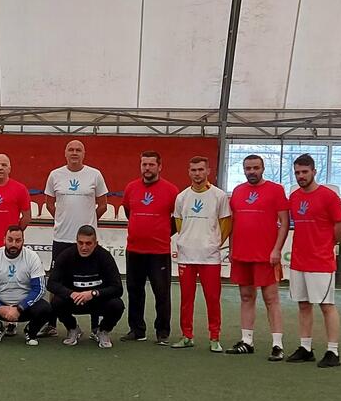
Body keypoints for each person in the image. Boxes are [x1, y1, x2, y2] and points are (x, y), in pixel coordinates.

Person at [285, 154, 341, 368]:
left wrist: (328, 243)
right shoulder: (294, 197)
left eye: (305, 172)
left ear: (314, 171)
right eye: (297, 172)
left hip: (321, 261)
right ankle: (305, 348)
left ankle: (333, 351)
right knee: (303, 304)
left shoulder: (328, 196)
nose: (301, 176)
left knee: (326, 305)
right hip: (298, 260)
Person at [226, 154, 289, 359]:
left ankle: (277, 345)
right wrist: (231, 249)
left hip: (266, 256)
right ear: (244, 170)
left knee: (271, 299)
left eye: (255, 168)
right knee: (246, 297)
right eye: (248, 168)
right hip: (241, 254)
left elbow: (285, 222)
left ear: (263, 169)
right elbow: (233, 223)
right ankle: (247, 341)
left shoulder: (276, 190)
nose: (252, 171)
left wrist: (277, 249)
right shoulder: (237, 191)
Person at [171, 156, 231, 352]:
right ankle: (187, 336)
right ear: (189, 172)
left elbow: (226, 223)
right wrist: (188, 241)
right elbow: (179, 224)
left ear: (208, 171)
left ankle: (215, 337)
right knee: (186, 300)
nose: (197, 173)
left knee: (212, 299)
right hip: (186, 256)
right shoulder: (181, 197)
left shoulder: (219, 196)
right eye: (193, 170)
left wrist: (214, 244)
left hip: (210, 257)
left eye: (200, 170)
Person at [119, 150, 179, 343]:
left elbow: (178, 218)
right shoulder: (131, 188)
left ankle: (162, 332)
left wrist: (162, 233)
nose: (147, 168)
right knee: (134, 291)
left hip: (159, 252)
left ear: (160, 167)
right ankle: (137, 330)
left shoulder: (171, 190)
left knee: (162, 293)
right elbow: (129, 212)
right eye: (144, 164)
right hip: (134, 249)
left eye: (151, 164)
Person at [0, 225, 53, 346]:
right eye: (10, 240)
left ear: (23, 241)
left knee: (46, 309)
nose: (13, 244)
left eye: (18, 240)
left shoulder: (32, 257)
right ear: (4, 240)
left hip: (24, 307)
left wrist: (19, 308)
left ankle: (30, 331)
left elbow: (39, 289)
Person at [47, 225, 125, 349]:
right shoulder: (66, 256)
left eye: (88, 243)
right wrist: (71, 293)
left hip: (97, 301)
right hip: (75, 300)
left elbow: (118, 288)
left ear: (95, 243)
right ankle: (73, 328)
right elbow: (51, 283)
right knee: (56, 302)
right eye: (80, 243)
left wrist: (93, 293)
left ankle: (103, 331)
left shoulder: (105, 257)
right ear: (76, 241)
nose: (84, 247)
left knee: (117, 305)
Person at [43, 140, 108, 263]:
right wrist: (62, 219)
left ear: (83, 154)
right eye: (71, 150)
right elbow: (49, 204)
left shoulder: (95, 175)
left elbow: (103, 206)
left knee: (87, 273)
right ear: (65, 153)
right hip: (62, 238)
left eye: (78, 150)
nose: (74, 153)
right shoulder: (54, 175)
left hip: (87, 240)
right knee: (60, 274)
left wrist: (89, 223)